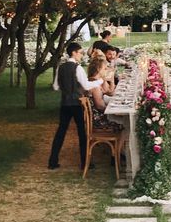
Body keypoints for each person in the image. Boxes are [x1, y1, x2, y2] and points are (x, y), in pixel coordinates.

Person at [48, 42, 103, 170]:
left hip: (65, 104)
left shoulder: (60, 67)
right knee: (82, 134)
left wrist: (66, 88)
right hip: (77, 104)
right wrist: (100, 81)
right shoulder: (78, 68)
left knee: (60, 132)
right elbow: (86, 86)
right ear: (74, 52)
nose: (82, 55)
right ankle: (85, 163)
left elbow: (55, 87)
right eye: (80, 53)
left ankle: (52, 161)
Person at [86, 58, 122, 133]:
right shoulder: (94, 85)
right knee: (125, 120)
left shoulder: (100, 80)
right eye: (105, 68)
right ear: (98, 69)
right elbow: (100, 106)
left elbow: (111, 93)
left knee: (124, 117)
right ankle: (120, 144)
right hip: (99, 120)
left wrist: (111, 80)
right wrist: (115, 111)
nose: (107, 70)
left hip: (102, 115)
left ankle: (121, 143)